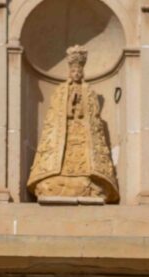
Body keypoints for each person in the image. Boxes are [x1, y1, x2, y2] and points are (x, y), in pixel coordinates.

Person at [27, 45, 119, 203]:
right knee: (49, 183)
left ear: (82, 73)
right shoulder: (61, 90)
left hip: (83, 133)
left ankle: (87, 181)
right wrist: (70, 102)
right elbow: (57, 114)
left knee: (88, 174)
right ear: (70, 72)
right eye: (74, 71)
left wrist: (81, 105)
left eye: (79, 71)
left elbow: (91, 115)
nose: (76, 73)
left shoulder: (89, 91)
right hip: (64, 133)